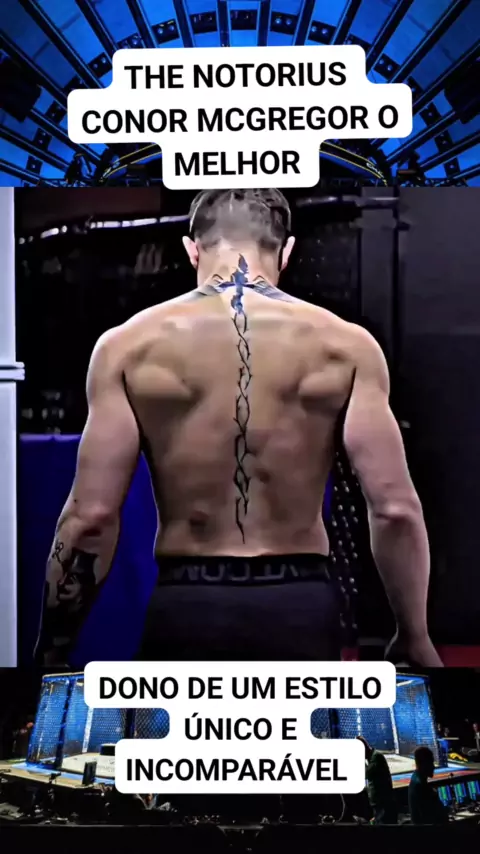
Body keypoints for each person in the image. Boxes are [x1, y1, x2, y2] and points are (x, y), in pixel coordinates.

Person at [34, 188, 442, 666]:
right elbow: (394, 509)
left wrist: (53, 648)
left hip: (188, 602)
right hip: (299, 602)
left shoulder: (127, 347)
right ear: (287, 252)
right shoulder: (347, 346)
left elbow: (90, 518)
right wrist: (414, 635)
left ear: (191, 250)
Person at [356, 736, 397, 824]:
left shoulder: (376, 757)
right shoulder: (372, 758)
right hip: (379, 804)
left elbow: (366, 774)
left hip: (383, 804)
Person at [408, 746, 449, 825]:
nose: (433, 767)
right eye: (431, 763)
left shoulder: (416, 779)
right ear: (423, 764)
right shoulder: (421, 788)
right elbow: (432, 817)